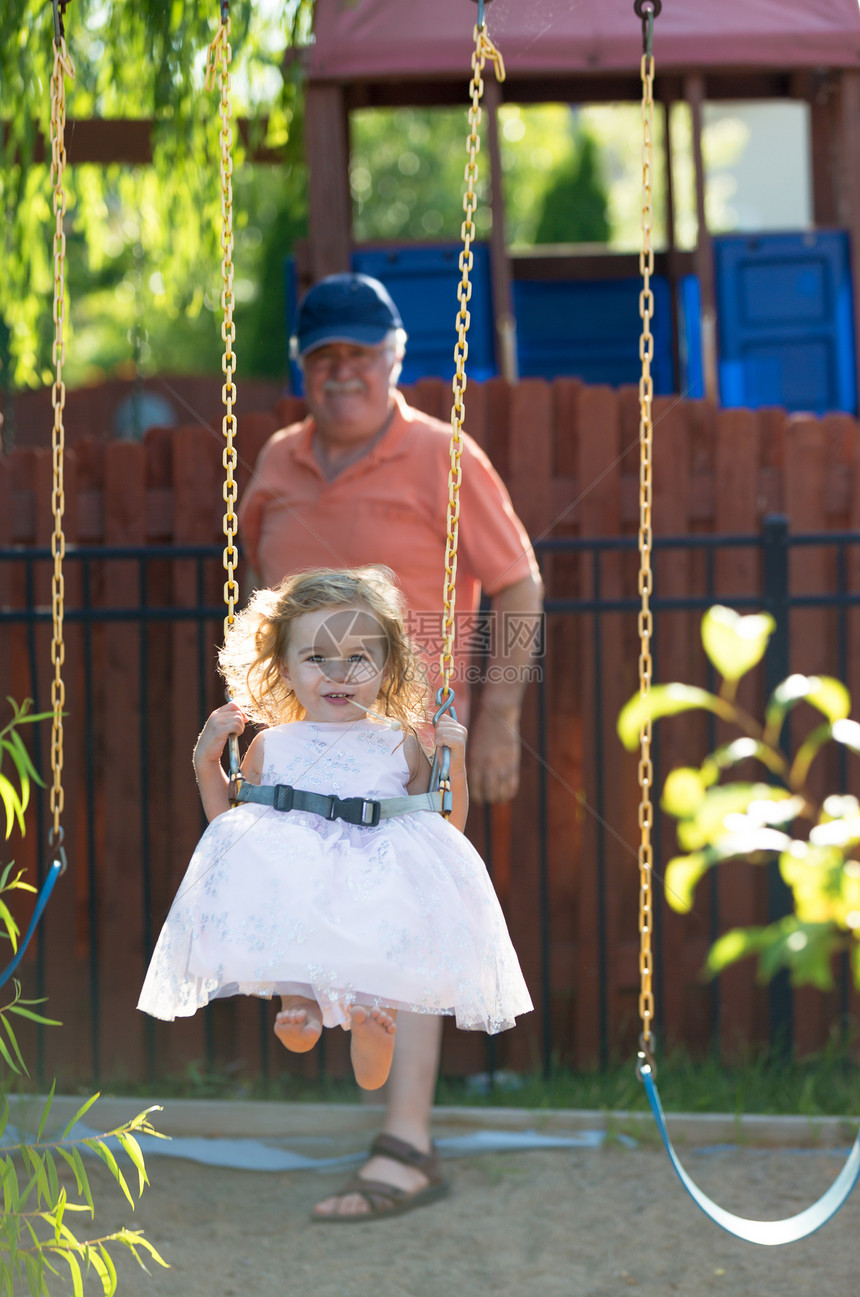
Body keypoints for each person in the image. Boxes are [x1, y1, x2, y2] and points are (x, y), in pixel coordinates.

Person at [238, 272, 544, 1221]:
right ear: (304, 364)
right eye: (324, 355)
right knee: (301, 912)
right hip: (301, 748)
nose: (341, 374)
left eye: (359, 355)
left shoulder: (444, 457)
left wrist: (498, 720)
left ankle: (406, 1140)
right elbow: (261, 599)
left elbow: (519, 584)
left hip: (408, 747)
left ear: (393, 359)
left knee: (408, 927)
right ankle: (330, 1032)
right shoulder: (279, 461)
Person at [137, 567, 532, 1101]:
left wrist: (453, 767)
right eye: (316, 657)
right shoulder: (271, 745)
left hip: (376, 883)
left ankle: (373, 1027)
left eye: (358, 658)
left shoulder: (400, 743)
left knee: (378, 976)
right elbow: (235, 833)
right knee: (292, 942)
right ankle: (296, 1008)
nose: (337, 673)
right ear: (284, 666)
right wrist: (208, 763)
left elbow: (440, 828)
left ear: (386, 666)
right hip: (298, 885)